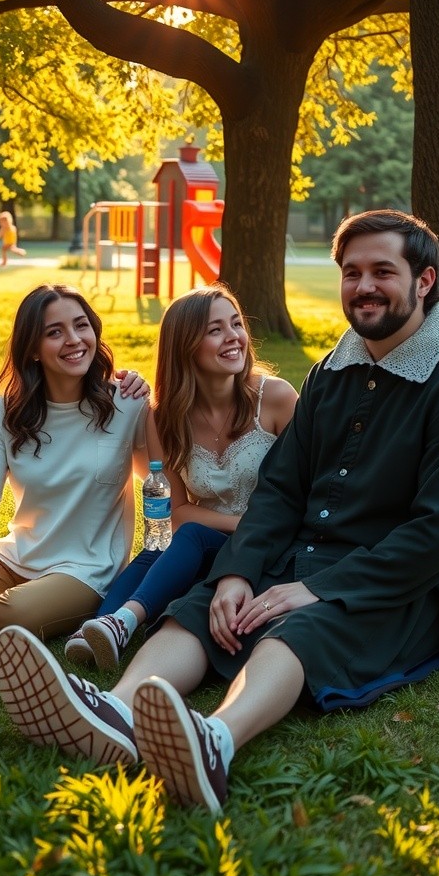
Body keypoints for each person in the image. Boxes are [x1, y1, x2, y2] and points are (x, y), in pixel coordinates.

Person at [0, 210, 439, 813]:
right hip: (307, 549)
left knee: (299, 628)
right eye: (351, 272)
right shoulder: (332, 369)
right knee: (201, 604)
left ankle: (216, 740)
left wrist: (317, 589)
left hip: (406, 579)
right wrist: (239, 571)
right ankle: (117, 709)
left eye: (382, 271)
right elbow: (282, 491)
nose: (363, 286)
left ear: (423, 281)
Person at [64, 283, 298, 670]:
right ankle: (97, 627)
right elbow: (174, 511)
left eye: (236, 324)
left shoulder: (275, 398)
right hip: (203, 545)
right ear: (185, 344)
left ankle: (122, 622)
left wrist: (250, 526)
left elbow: (303, 491)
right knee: (159, 547)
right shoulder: (165, 416)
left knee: (187, 537)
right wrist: (233, 524)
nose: (233, 337)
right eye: (215, 330)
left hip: (270, 543)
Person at [0, 284, 150, 642]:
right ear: (34, 349)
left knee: (9, 614)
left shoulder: (126, 402)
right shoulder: (6, 411)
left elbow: (159, 478)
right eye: (54, 332)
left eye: (81, 325)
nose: (73, 339)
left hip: (85, 573)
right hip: (14, 559)